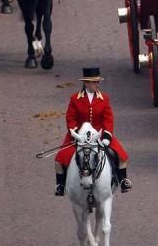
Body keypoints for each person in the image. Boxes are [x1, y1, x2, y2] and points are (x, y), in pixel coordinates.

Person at [55, 68, 131, 196]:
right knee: (59, 159)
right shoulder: (75, 99)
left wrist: (106, 136)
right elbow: (71, 118)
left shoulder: (104, 99)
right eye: (94, 82)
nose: (97, 84)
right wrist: (75, 134)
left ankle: (123, 180)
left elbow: (108, 119)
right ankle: (60, 186)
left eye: (97, 82)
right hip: (78, 135)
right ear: (86, 83)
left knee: (121, 156)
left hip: (99, 134)